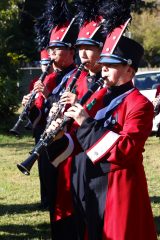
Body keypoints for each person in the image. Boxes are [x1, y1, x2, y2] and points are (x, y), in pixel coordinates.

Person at [48, 32, 158, 239]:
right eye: (103, 63)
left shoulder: (139, 104)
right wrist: (59, 137)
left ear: (129, 70)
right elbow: (81, 140)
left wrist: (86, 122)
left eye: (112, 64)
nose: (104, 68)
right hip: (92, 182)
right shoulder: (99, 96)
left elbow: (126, 149)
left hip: (119, 187)